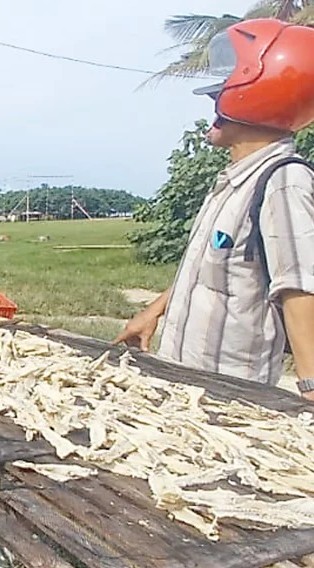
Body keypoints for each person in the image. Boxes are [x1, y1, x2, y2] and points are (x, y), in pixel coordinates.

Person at [116, 18, 314, 402]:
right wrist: (153, 311)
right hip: (183, 377)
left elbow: (300, 289)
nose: (212, 107)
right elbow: (210, 265)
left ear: (256, 98)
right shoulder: (235, 180)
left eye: (218, 96)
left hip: (227, 394)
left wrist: (310, 389)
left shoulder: (283, 182)